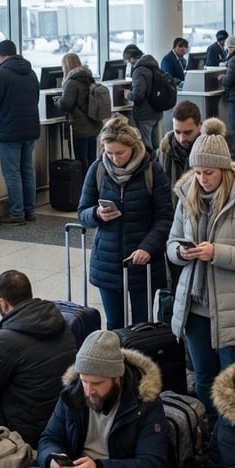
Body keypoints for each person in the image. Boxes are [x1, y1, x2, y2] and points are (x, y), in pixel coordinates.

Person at [167, 119, 235, 411]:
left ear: (224, 170)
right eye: (198, 172)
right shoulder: (187, 197)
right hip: (195, 307)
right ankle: (210, 437)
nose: (202, 179)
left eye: (209, 172)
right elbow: (172, 242)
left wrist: (216, 253)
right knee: (203, 378)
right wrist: (180, 252)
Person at [12, 330, 171, 468]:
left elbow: (152, 466)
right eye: (84, 380)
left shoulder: (146, 402)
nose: (88, 391)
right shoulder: (73, 393)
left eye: (96, 383)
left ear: (117, 378)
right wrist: (51, 460)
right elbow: (49, 438)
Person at [77, 116, 173, 329]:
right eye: (109, 152)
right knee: (114, 324)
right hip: (108, 262)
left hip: (142, 261)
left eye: (119, 153)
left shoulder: (151, 170)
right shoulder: (98, 169)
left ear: (133, 147)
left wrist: (148, 248)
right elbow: (82, 212)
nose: (114, 158)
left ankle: (140, 362)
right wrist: (97, 214)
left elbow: (165, 217)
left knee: (142, 325)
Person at [0, 270, 77, 444]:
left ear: (3, 303)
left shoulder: (4, 340)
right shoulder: (58, 318)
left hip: (27, 428)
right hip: (63, 416)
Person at [0, 39, 42, 225]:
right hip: (30, 128)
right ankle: (29, 211)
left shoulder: (1, 75)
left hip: (10, 130)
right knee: (27, 171)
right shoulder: (31, 72)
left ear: (0, 56)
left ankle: (16, 214)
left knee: (13, 173)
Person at [53, 52, 103, 167]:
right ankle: (93, 181)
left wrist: (57, 101)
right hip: (93, 124)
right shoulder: (89, 78)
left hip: (80, 127)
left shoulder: (71, 82)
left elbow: (66, 104)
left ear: (65, 66)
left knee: (81, 160)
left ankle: (84, 183)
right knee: (91, 158)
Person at [156, 100, 203, 200]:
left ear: (200, 126)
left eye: (188, 132)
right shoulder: (162, 153)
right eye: (177, 132)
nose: (182, 139)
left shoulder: (211, 153)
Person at [124, 44, 164, 152]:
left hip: (145, 114)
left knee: (147, 147)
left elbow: (138, 95)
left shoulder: (139, 71)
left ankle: (150, 168)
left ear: (132, 58)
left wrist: (128, 94)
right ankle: (158, 167)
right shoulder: (153, 65)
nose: (128, 63)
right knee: (156, 145)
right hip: (157, 110)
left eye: (127, 60)